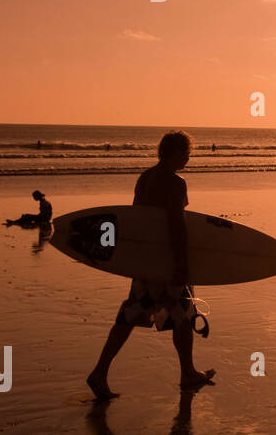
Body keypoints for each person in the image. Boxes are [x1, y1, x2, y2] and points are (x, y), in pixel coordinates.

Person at [86, 131, 213, 399]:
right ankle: (187, 372)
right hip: (166, 262)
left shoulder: (145, 178)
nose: (188, 158)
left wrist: (132, 258)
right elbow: (177, 226)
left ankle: (100, 372)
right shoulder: (175, 183)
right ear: (175, 153)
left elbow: (135, 219)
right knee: (180, 311)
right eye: (186, 153)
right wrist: (181, 264)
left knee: (134, 313)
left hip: (145, 261)